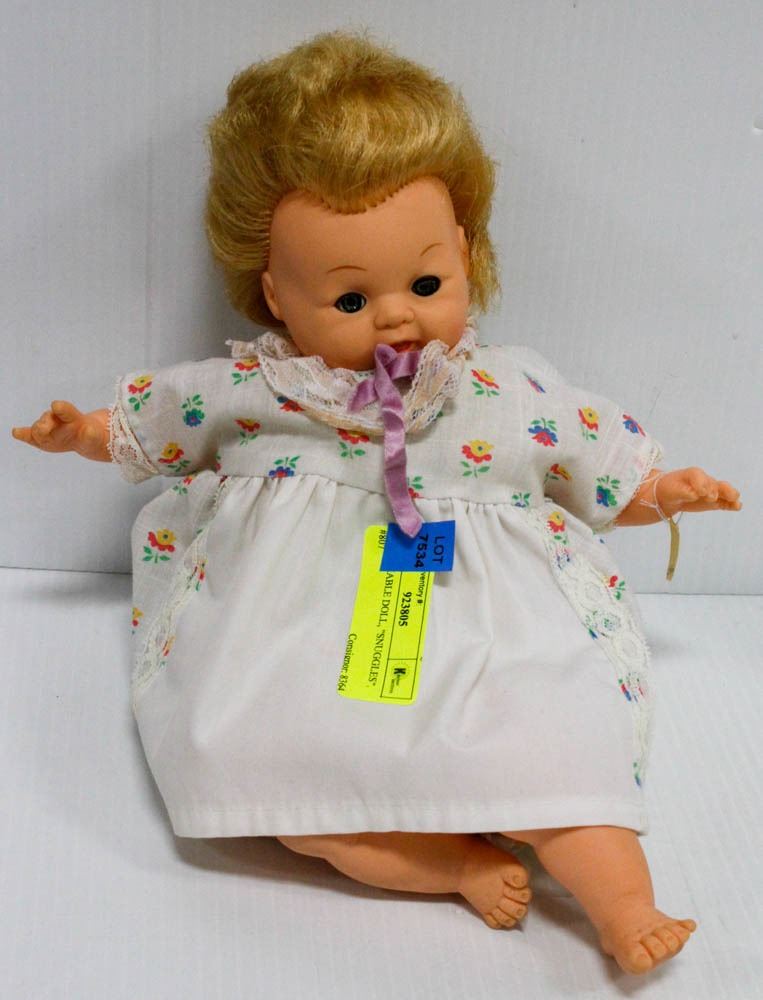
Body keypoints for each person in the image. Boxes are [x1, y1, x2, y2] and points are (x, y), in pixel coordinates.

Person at [12, 31, 742, 976]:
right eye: (350, 300)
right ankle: (446, 865)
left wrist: (661, 493)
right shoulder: (264, 390)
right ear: (275, 295)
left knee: (557, 746)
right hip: (298, 630)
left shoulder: (504, 389)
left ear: (466, 255)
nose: (396, 315)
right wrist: (80, 430)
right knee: (272, 777)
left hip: (489, 624)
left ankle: (622, 903)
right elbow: (158, 422)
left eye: (426, 283)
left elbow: (590, 471)